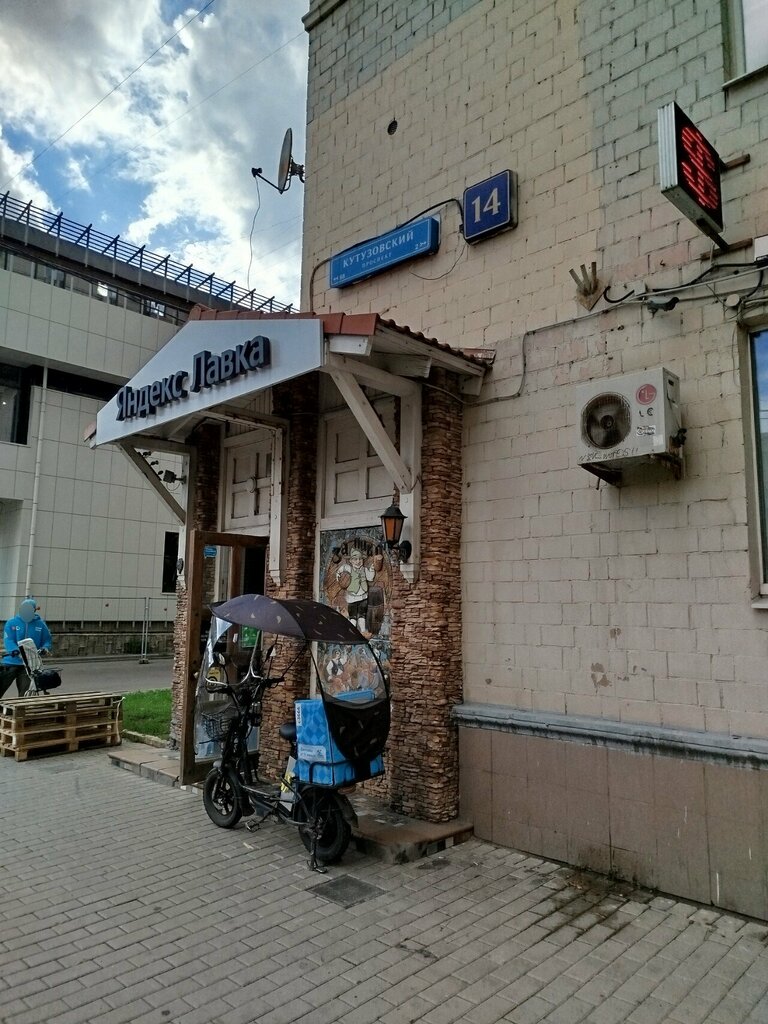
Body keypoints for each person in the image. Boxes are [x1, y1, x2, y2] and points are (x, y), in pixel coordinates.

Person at [0, 599, 52, 699]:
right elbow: (9, 639)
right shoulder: (12, 622)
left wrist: (45, 648)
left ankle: (21, 707)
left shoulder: (41, 624)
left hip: (29, 664)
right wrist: (15, 651)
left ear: (34, 610)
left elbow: (47, 639)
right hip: (11, 662)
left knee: (25, 693)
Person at [335, 548, 375, 634]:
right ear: (351, 561)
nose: (358, 561)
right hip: (352, 598)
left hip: (363, 597)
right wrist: (338, 576)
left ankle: (363, 631)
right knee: (353, 617)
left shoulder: (364, 569)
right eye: (355, 559)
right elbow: (341, 569)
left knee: (362, 616)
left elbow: (370, 578)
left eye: (360, 559)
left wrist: (372, 569)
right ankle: (352, 632)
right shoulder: (349, 568)